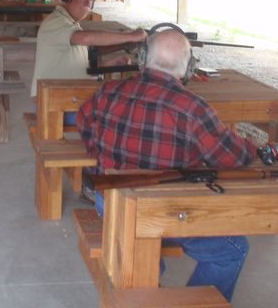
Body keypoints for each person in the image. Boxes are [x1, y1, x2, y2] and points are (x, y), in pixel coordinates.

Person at [76, 29, 255, 301]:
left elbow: (83, 119)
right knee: (233, 249)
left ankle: (147, 280)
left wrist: (99, 153)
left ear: (144, 57)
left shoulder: (108, 91)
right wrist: (251, 145)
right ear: (189, 67)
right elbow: (234, 158)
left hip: (110, 204)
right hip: (166, 215)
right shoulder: (193, 107)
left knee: (144, 249)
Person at [30, 0, 146, 100]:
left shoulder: (71, 25)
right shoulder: (56, 22)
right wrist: (130, 36)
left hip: (67, 96)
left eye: (91, 0)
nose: (87, 3)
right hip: (55, 101)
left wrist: (109, 62)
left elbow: (83, 61)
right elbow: (86, 38)